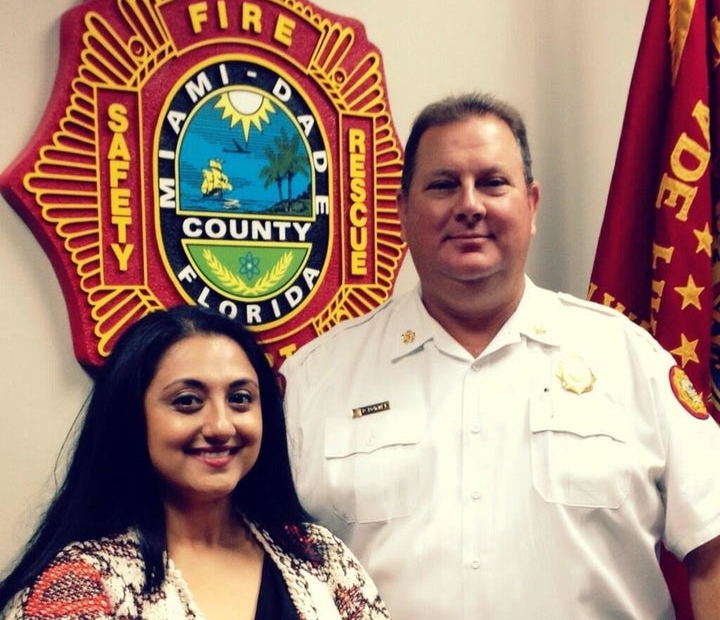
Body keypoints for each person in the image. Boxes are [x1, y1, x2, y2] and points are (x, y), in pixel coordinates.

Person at [281, 92, 720, 619]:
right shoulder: (317, 377)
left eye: (493, 182)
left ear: (531, 205)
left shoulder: (629, 359)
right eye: (443, 184)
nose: (469, 205)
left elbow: (713, 542)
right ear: (401, 210)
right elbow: (243, 556)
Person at [0, 305, 390, 620]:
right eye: (187, 401)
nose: (221, 425)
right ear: (132, 417)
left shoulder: (319, 556)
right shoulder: (79, 583)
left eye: (240, 398)